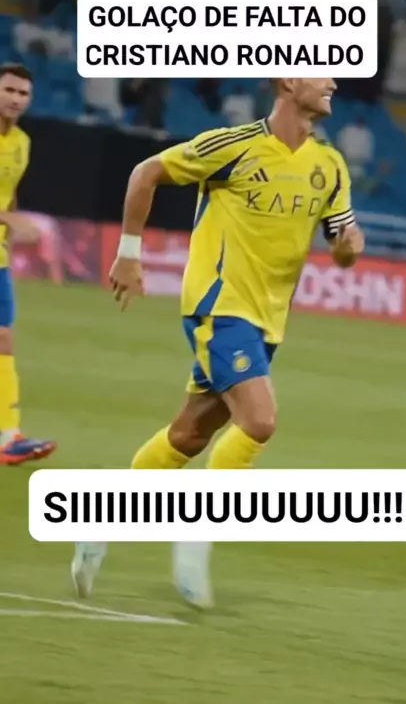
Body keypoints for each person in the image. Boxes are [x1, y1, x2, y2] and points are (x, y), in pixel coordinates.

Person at [71, 78, 364, 606]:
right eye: (321, 69)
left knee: (189, 435)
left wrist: (348, 248)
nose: (333, 82)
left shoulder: (330, 165)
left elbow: (340, 245)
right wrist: (129, 253)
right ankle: (198, 531)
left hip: (267, 321)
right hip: (219, 305)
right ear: (287, 81)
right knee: (260, 420)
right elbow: (146, 173)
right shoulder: (232, 146)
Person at [0, 63, 57, 465]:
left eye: (23, 93)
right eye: (8, 90)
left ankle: (9, 435)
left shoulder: (21, 142)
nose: (15, 99)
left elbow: (9, 193)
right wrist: (10, 220)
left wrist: (9, 225)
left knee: (4, 338)